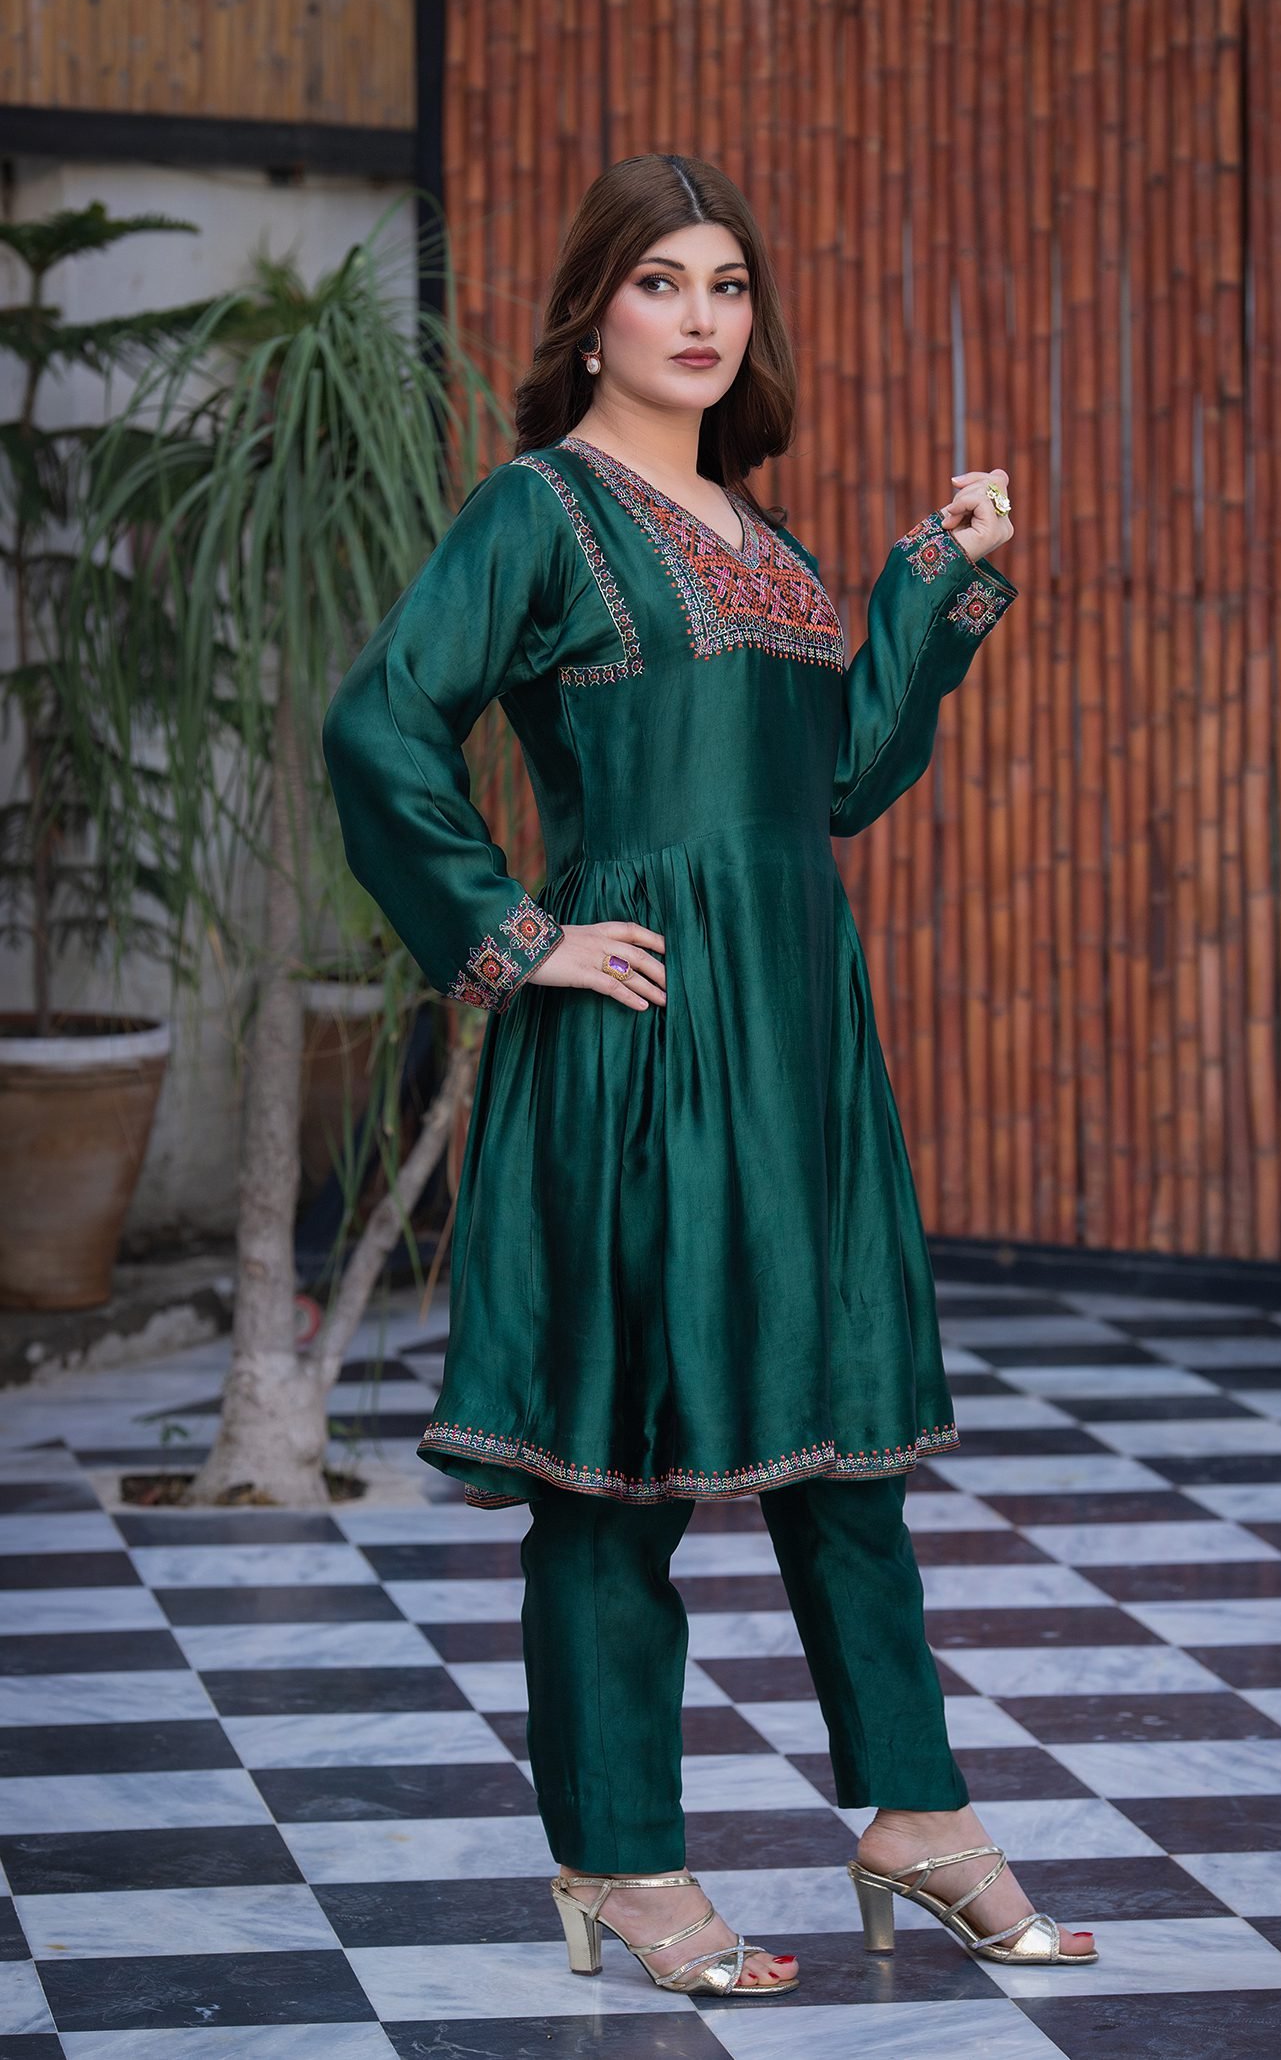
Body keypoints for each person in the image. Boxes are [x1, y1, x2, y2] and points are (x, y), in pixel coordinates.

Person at [322, 151, 1096, 1998]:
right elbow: (379, 720)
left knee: (849, 1447)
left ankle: (917, 1815)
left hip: (799, 1034)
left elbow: (833, 779)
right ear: (593, 311)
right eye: (660, 281)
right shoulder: (538, 513)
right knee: (618, 1470)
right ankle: (622, 1860)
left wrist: (935, 581)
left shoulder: (766, 540)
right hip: (640, 1039)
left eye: (728, 284)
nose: (699, 316)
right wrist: (520, 935)